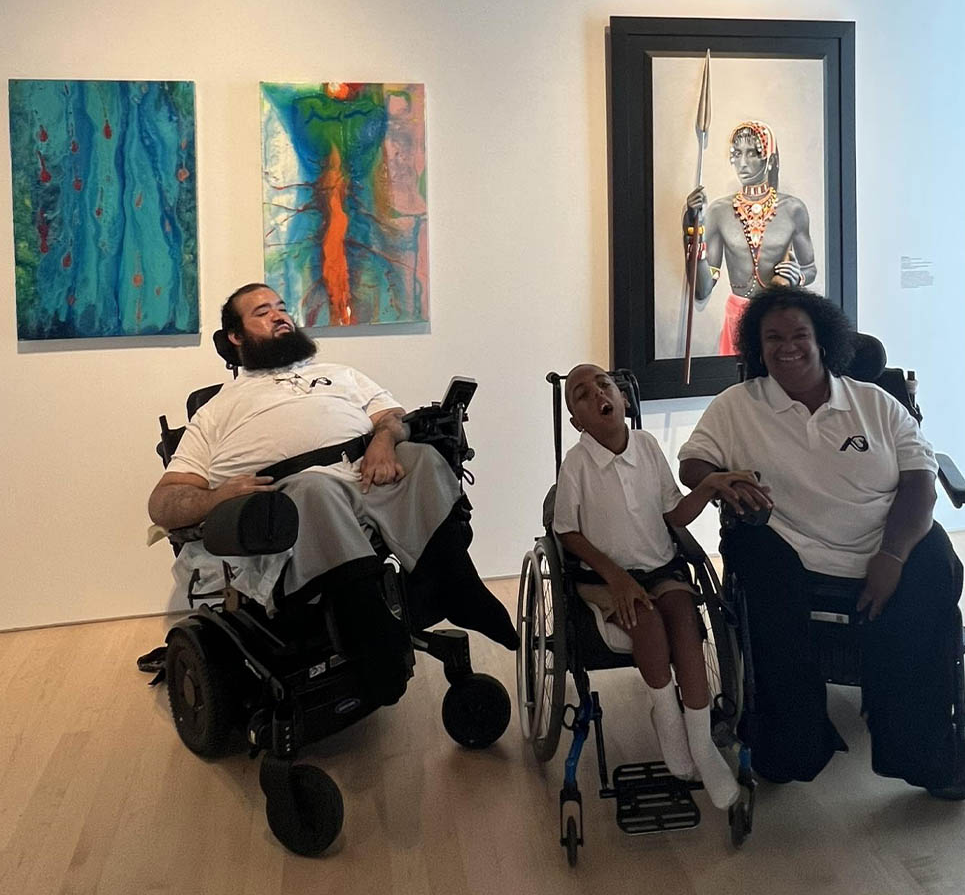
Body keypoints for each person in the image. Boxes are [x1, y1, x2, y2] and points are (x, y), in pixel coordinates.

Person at [678, 287, 965, 788]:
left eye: (799, 335)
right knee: (751, 553)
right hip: (791, 551)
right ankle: (794, 739)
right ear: (757, 347)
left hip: (886, 544)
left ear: (823, 341)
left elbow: (921, 482)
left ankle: (916, 746)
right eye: (773, 338)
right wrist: (718, 479)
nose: (787, 346)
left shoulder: (876, 403)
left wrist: (892, 556)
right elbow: (692, 463)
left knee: (934, 568)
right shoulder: (736, 406)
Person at [148, 282, 518, 653]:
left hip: (366, 473)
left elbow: (393, 416)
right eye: (262, 312)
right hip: (295, 495)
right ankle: (370, 629)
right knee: (315, 488)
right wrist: (215, 497)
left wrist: (383, 441)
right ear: (236, 336)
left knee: (420, 457)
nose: (279, 316)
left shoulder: (341, 374)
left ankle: (459, 588)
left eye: (281, 308)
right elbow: (163, 502)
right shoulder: (215, 410)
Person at [552, 363, 772, 809]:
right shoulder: (577, 462)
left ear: (622, 398)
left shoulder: (648, 446)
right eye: (582, 394)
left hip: (659, 566)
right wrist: (616, 578)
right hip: (604, 577)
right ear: (577, 422)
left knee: (686, 624)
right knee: (648, 624)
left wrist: (709, 485)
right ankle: (667, 718)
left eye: (603, 384)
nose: (597, 394)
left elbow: (674, 515)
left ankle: (701, 743)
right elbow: (566, 532)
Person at [683, 121, 817, 355]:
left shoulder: (793, 209)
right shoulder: (719, 211)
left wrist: (798, 276)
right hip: (736, 320)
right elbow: (703, 289)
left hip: (779, 318)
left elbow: (810, 268)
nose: (743, 163)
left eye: (752, 153)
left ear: (769, 159)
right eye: (737, 153)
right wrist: (694, 226)